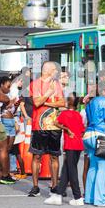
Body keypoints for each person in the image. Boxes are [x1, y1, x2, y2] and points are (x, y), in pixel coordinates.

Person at [28, 61, 65, 197]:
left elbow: (62, 102)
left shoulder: (57, 84)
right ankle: (35, 186)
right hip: (39, 125)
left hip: (55, 124)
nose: (56, 71)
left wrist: (48, 102)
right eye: (55, 69)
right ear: (47, 70)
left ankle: (54, 185)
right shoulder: (35, 84)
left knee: (54, 156)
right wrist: (49, 93)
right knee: (37, 155)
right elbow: (36, 102)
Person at [44, 93, 85, 206]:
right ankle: (58, 195)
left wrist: (66, 128)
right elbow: (82, 129)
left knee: (71, 171)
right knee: (66, 170)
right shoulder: (78, 114)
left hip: (70, 144)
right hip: (78, 144)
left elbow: (55, 122)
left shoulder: (64, 113)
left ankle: (77, 197)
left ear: (69, 102)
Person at [83, 82, 105, 207]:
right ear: (104, 91)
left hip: (88, 135)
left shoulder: (90, 102)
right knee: (102, 167)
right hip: (101, 135)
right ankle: (101, 199)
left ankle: (89, 197)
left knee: (93, 167)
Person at [0, 76, 18, 184]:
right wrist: (10, 103)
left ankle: (7, 171)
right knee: (4, 149)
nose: (9, 88)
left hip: (11, 121)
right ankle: (3, 173)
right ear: (1, 85)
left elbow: (13, 109)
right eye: (8, 86)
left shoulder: (9, 94)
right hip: (4, 122)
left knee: (9, 148)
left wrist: (15, 104)